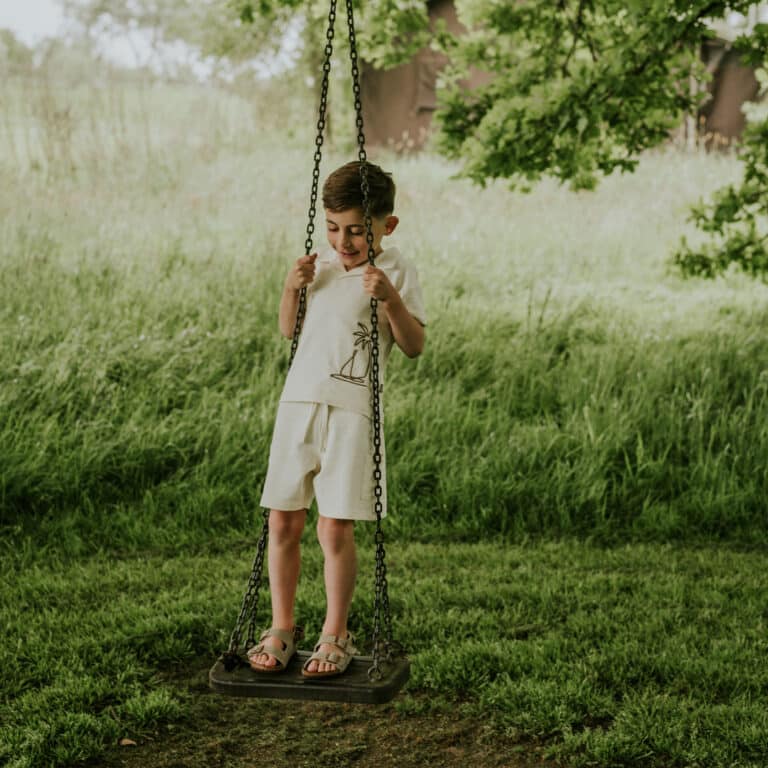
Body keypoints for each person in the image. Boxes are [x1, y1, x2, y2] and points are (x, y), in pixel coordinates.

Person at [247, 160, 426, 678]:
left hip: (352, 413)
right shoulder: (319, 264)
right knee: (283, 519)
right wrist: (291, 287)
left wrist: (390, 299)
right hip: (299, 405)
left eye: (356, 231)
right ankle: (281, 627)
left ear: (387, 226)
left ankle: (335, 632)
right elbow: (290, 330)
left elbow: (414, 345)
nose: (343, 241)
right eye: (333, 228)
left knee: (333, 527)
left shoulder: (396, 271)